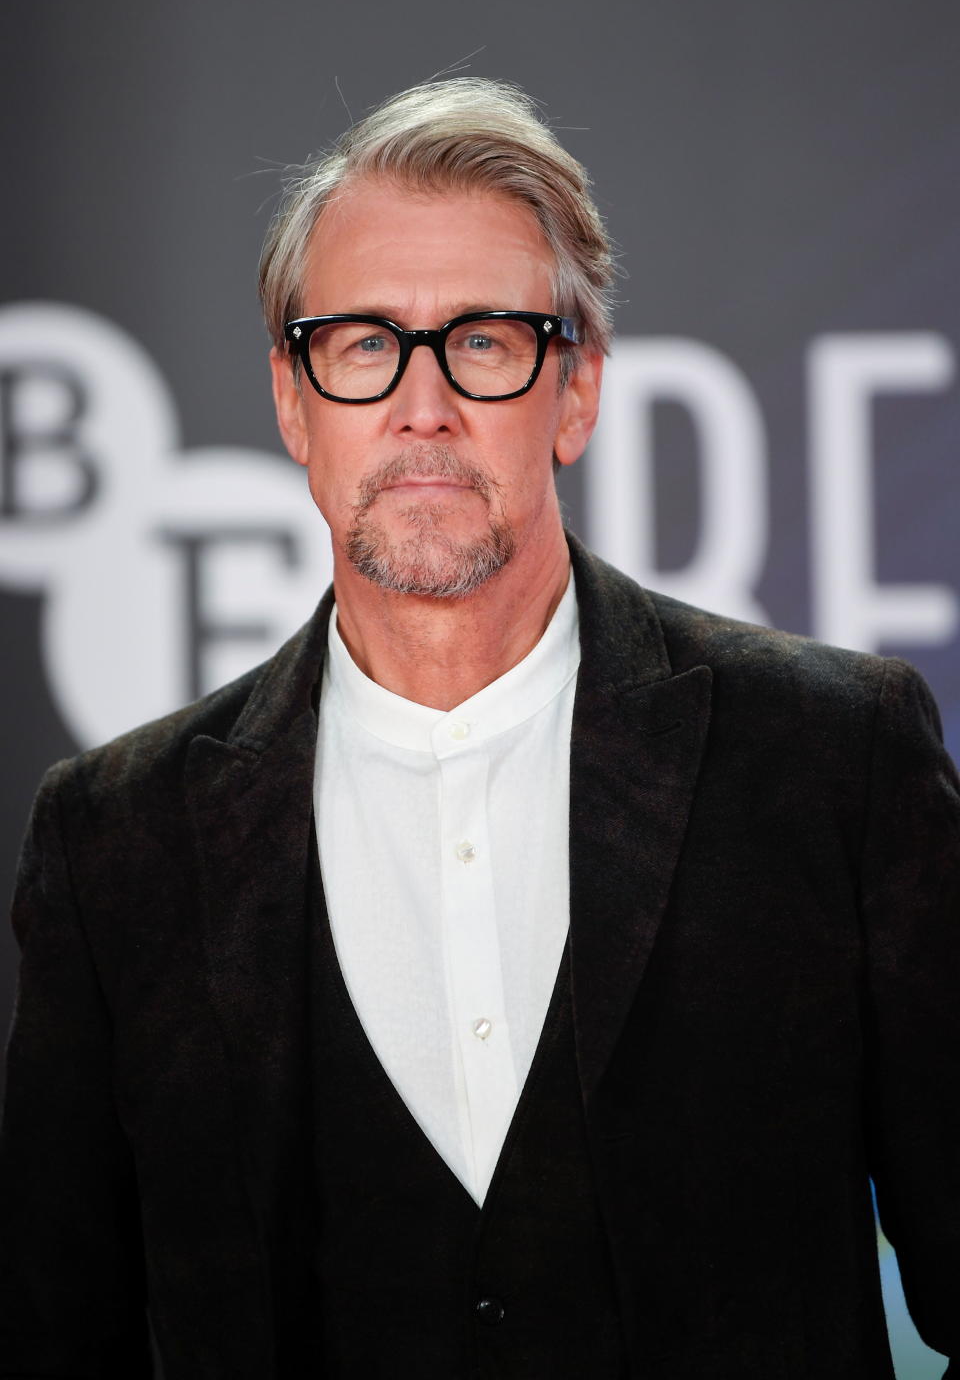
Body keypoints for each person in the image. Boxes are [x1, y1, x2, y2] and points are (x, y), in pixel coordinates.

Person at [0, 78, 957, 1380]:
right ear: (294, 401)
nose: (422, 405)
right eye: (361, 344)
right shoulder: (117, 839)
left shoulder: (832, 758)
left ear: (575, 391)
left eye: (488, 341)